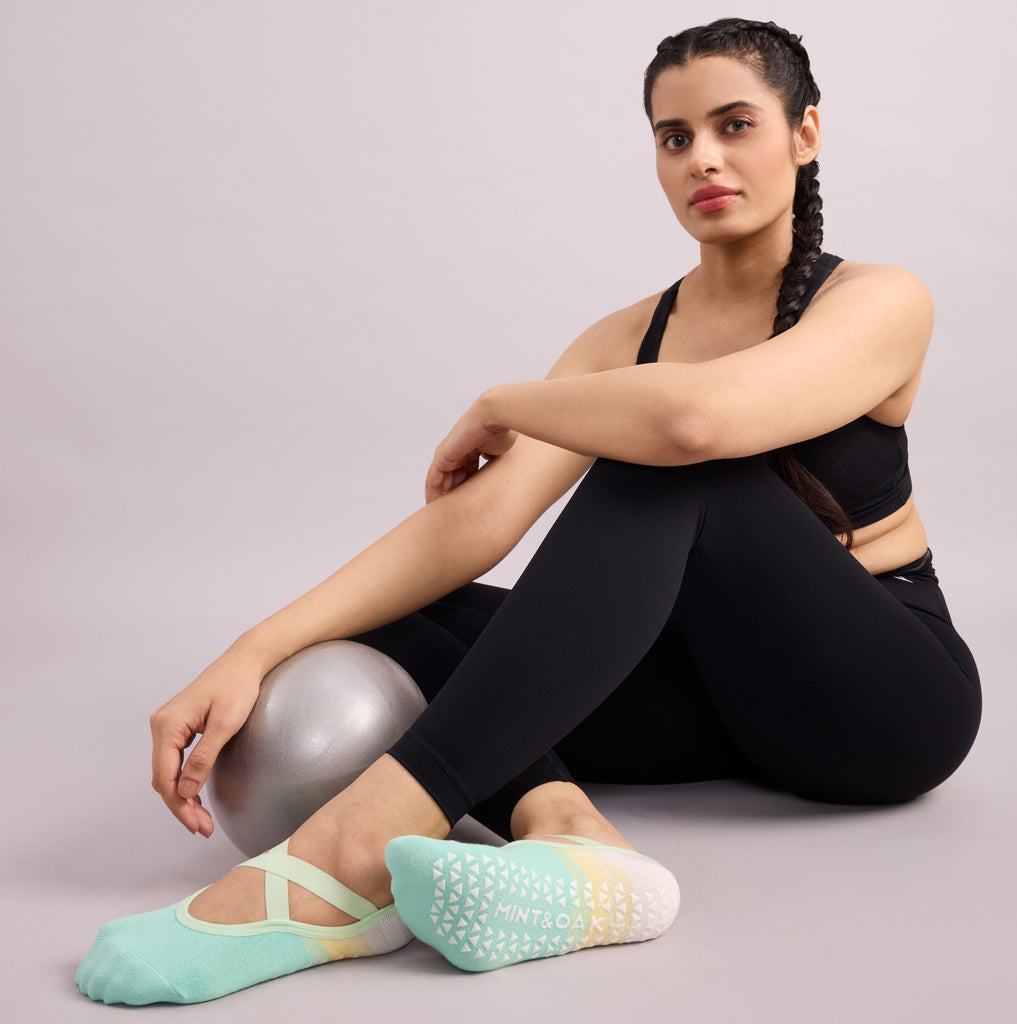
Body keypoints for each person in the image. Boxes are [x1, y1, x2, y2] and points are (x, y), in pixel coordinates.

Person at [76, 17, 981, 1005]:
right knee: (390, 618)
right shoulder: (624, 337)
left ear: (804, 133)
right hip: (703, 708)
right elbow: (475, 525)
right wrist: (252, 650)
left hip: (878, 706)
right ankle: (575, 843)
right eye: (674, 137)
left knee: (667, 468)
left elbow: (693, 423)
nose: (702, 159)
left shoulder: (880, 300)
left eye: (734, 125)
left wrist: (505, 402)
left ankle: (348, 857)